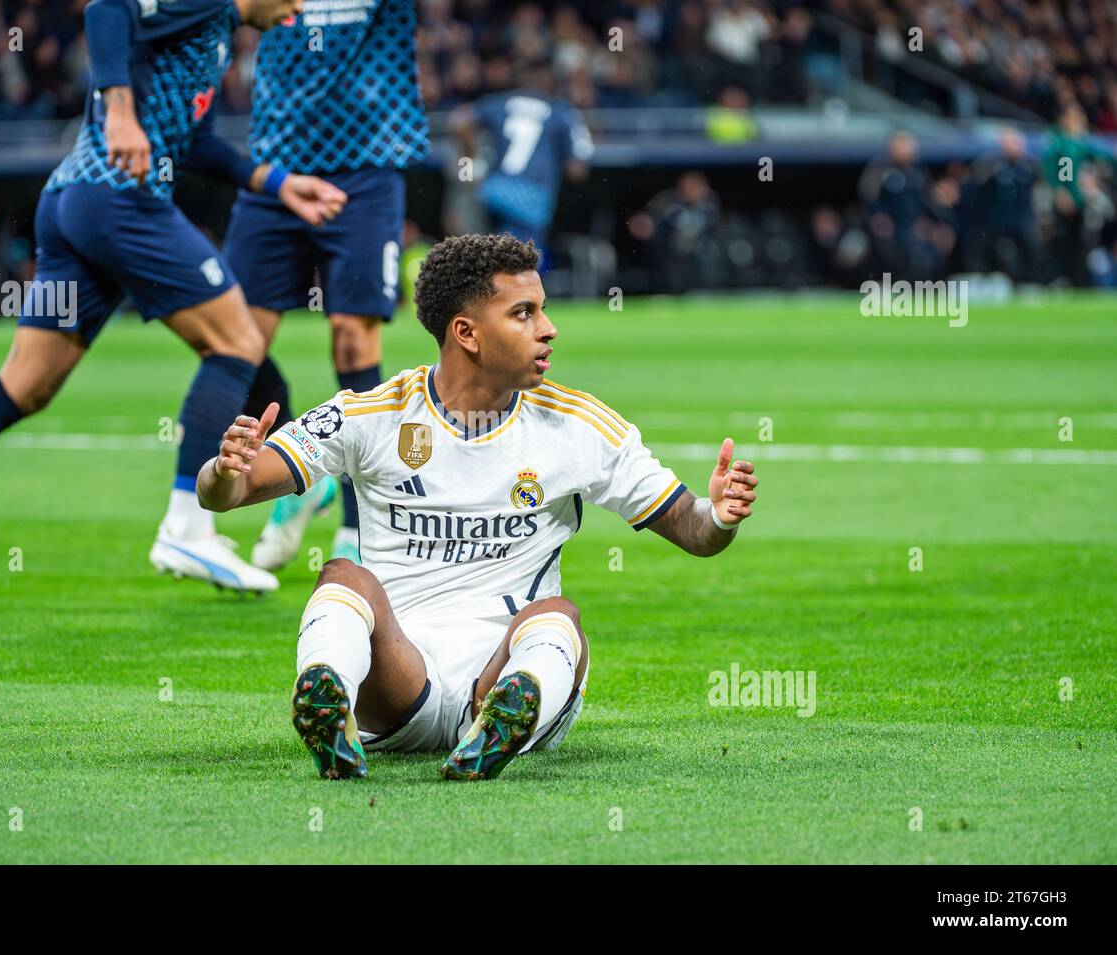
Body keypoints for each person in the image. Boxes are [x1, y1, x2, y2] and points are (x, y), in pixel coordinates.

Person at [197, 233, 760, 781]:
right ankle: (329, 700)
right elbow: (230, 493)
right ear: (466, 333)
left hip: (500, 672)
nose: (548, 329)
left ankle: (498, 726)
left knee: (556, 617)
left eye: (542, 310)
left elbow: (692, 529)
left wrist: (718, 516)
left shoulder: (581, 426)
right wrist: (224, 471)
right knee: (344, 576)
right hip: (396, 679)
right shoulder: (371, 414)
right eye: (524, 314)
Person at [0, 0, 346, 604]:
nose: (298, 9)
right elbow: (107, 6)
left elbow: (197, 145)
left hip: (73, 207)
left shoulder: (216, 34)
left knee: (24, 386)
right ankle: (187, 526)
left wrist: (277, 183)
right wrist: (118, 112)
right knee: (237, 341)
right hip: (120, 201)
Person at [224, 0, 430, 574]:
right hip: (278, 167)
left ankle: (355, 520)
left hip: (366, 166)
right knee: (234, 342)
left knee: (352, 343)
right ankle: (300, 470)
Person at [452, 61, 592, 265]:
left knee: (490, 253)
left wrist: (471, 159)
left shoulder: (501, 102)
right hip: (532, 196)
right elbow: (577, 170)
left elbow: (460, 122)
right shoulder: (561, 111)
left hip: (494, 189)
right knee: (526, 262)